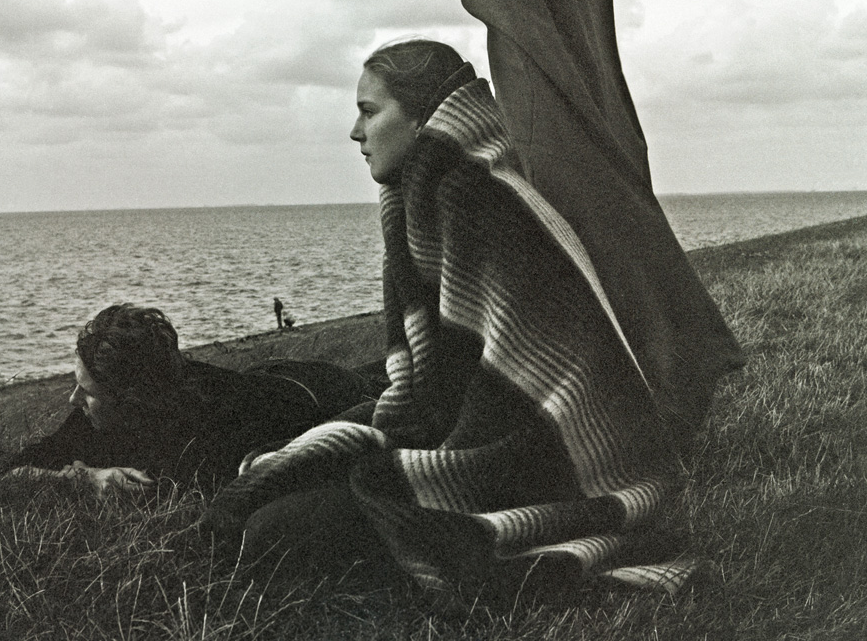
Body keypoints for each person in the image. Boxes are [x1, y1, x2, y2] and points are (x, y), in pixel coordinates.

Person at [202, 38, 698, 611]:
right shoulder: (430, 196)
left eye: (369, 111)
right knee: (288, 472)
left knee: (275, 531)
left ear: (422, 118)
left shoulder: (475, 197)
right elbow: (438, 382)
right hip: (482, 429)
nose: (356, 133)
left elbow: (499, 396)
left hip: (538, 457)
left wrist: (410, 464)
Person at [456, 0, 742, 439]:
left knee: (588, 219)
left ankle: (666, 385)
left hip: (546, 72)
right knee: (588, 219)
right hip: (547, 70)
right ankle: (651, 387)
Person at [7, 303, 377, 496]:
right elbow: (13, 472)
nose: (73, 399)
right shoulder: (99, 414)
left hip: (317, 389)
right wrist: (85, 479)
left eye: (87, 392)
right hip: (268, 374)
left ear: (132, 401)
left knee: (383, 378)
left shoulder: (202, 434)